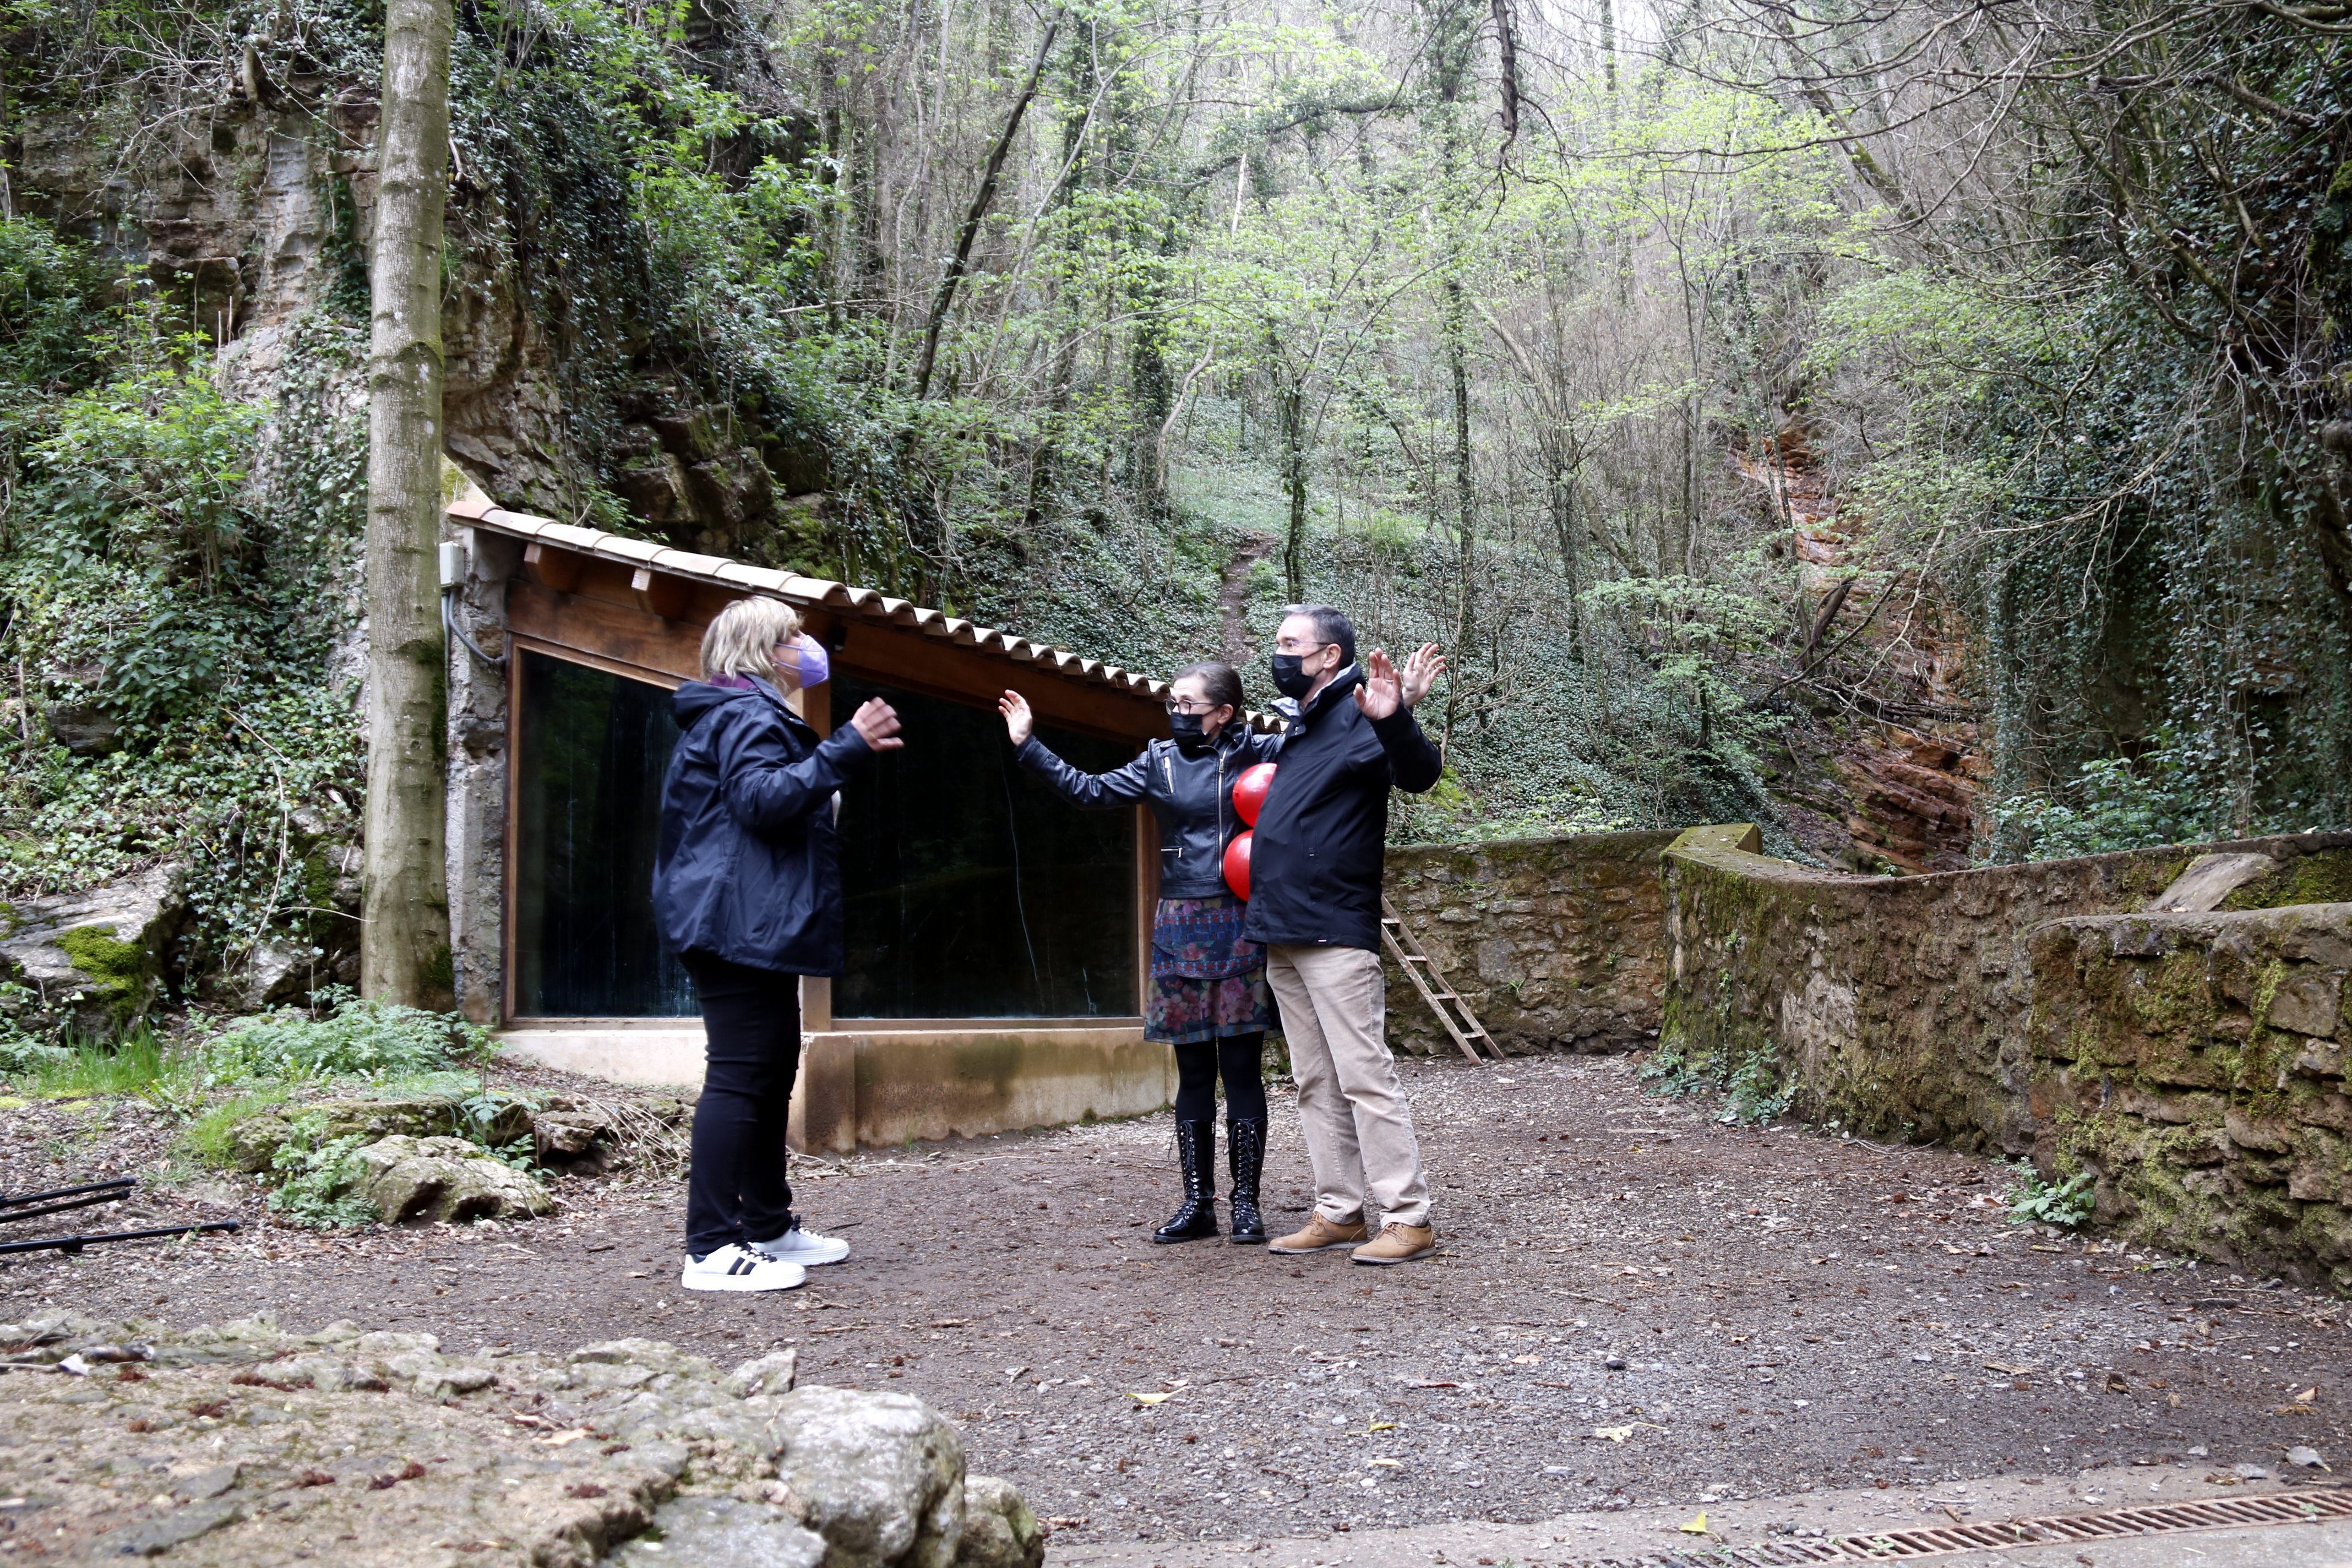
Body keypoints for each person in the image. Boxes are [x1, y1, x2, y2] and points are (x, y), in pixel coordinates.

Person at [653, 596, 903, 1292]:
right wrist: (845, 747)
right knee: (741, 1075)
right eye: (793, 636)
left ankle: (766, 1226)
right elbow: (761, 800)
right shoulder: (742, 714)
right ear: (763, 650)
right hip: (729, 924)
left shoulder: (746, 715)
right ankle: (709, 1248)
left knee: (768, 1072)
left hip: (745, 924)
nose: (806, 647)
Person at [999, 663, 1285, 1244]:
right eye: (1172, 703)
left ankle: (1247, 1205)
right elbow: (1089, 790)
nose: (1176, 713)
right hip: (1180, 922)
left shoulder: (1264, 751)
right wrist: (1029, 745)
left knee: (1242, 1068)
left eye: (1188, 705)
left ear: (1224, 713)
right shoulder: (1158, 761)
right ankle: (1198, 1204)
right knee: (1194, 1072)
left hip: (1241, 920)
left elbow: (1328, 754)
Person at [1242, 605, 1448, 1266]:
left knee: (1364, 1076)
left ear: (1328, 655)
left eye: (1288, 643)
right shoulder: (1304, 722)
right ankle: (1339, 1210)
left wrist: (1397, 714)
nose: (1276, 653)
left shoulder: (1362, 711)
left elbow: (1418, 773)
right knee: (1313, 1081)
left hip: (1334, 926)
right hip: (1283, 929)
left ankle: (1408, 1217)